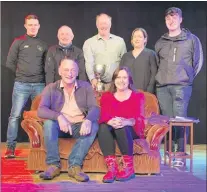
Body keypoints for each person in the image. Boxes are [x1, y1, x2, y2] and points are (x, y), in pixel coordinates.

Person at [155, 7, 203, 166]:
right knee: (167, 122)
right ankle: (169, 154)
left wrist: (187, 77)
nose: (171, 21)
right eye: (168, 18)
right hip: (163, 87)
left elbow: (197, 62)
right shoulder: (161, 42)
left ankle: (180, 155)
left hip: (181, 86)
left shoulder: (191, 39)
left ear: (181, 19)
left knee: (180, 121)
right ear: (165, 21)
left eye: (174, 18)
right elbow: (157, 64)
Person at [37, 58, 100, 182]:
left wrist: (87, 120)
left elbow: (95, 108)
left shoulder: (85, 86)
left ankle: (74, 166)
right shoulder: (51, 87)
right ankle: (53, 165)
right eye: (66, 70)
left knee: (94, 125)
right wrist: (59, 117)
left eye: (73, 70)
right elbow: (41, 110)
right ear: (60, 71)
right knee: (49, 124)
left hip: (79, 126)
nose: (69, 73)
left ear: (77, 72)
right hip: (61, 126)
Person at [5, 14, 48, 158]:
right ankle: (10, 148)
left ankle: (40, 148)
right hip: (21, 85)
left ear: (39, 26)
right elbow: (10, 63)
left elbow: (46, 66)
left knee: (41, 116)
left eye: (35, 24)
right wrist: (20, 76)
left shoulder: (43, 44)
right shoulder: (18, 42)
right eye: (30, 25)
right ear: (25, 26)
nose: (33, 27)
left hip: (39, 85)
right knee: (15, 116)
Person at [98, 66, 145, 183]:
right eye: (118, 77)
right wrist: (109, 121)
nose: (121, 80)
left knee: (122, 126)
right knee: (103, 126)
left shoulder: (137, 96)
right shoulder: (106, 96)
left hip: (131, 130)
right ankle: (112, 168)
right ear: (114, 80)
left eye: (124, 77)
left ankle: (129, 168)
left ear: (129, 80)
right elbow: (103, 115)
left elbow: (138, 118)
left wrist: (125, 121)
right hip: (111, 129)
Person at [83, 13, 127, 91]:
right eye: (101, 23)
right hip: (98, 84)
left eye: (105, 23)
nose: (103, 26)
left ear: (110, 24)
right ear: (97, 25)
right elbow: (89, 63)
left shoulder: (120, 41)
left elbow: (124, 62)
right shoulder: (88, 43)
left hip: (117, 84)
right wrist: (93, 79)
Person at [120, 28, 157, 94]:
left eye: (140, 37)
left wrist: (149, 90)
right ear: (132, 40)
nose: (137, 39)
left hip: (145, 93)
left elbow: (154, 74)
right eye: (135, 37)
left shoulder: (151, 54)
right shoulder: (125, 56)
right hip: (127, 93)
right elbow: (120, 74)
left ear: (145, 39)